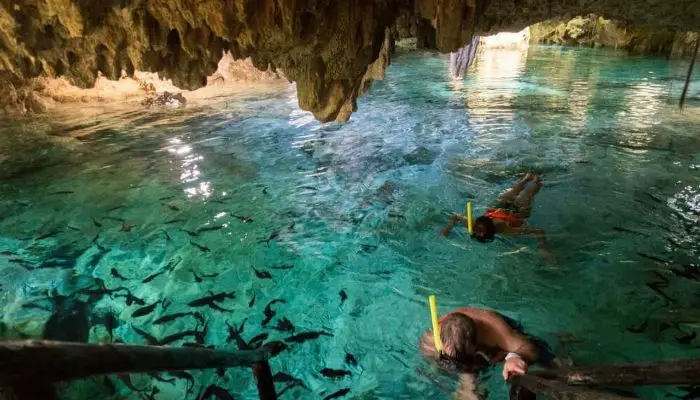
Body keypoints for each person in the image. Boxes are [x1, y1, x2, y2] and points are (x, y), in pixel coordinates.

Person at [419, 307, 554, 398]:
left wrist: (513, 357)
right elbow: (429, 355)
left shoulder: (496, 331)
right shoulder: (433, 337)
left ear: (476, 342)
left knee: (543, 352)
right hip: (466, 349)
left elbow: (530, 349)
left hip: (505, 334)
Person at [441, 173, 548, 250]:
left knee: (512, 192)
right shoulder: (505, 230)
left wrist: (447, 229)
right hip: (517, 213)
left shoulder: (474, 224)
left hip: (497, 208)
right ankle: (538, 180)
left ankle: (526, 179)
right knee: (528, 194)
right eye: (480, 230)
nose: (476, 229)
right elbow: (539, 231)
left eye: (476, 231)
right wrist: (544, 248)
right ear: (491, 230)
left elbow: (455, 216)